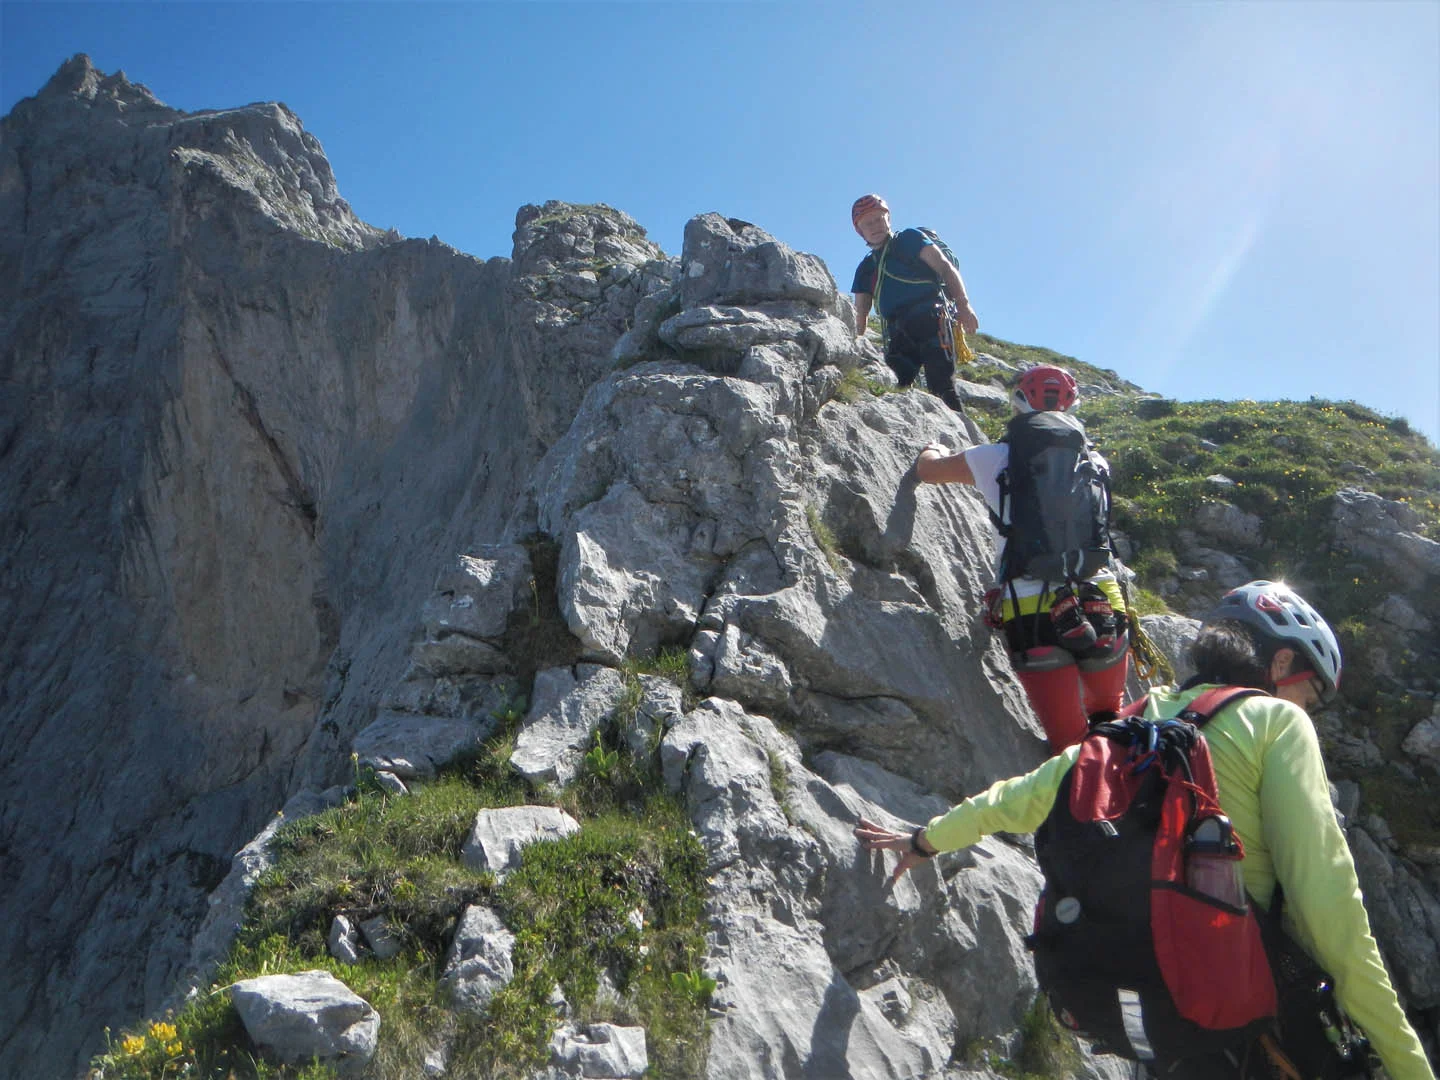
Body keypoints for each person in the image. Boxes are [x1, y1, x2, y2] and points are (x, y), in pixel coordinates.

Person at [855, 580, 1434, 1080]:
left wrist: (924, 840)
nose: (1306, 711)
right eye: (1309, 696)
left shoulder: (1131, 725)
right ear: (1281, 664)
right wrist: (1408, 1061)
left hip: (1155, 1018)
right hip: (1240, 1006)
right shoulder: (1274, 720)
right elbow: (1327, 904)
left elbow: (1016, 799)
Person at [915, 364, 1129, 751]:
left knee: (1069, 746)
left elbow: (928, 472)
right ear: (1071, 405)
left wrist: (933, 449)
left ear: (1019, 401)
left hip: (1031, 604)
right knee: (1109, 720)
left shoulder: (994, 457)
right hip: (1101, 596)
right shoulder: (1097, 462)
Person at [850, 193, 979, 413]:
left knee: (942, 386)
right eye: (867, 223)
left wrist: (964, 305)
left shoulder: (910, 239)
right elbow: (861, 312)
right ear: (860, 231)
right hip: (897, 333)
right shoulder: (865, 268)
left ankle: (960, 431)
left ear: (888, 219)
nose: (875, 225)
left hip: (932, 321)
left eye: (879, 219)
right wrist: (855, 345)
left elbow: (945, 268)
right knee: (897, 387)